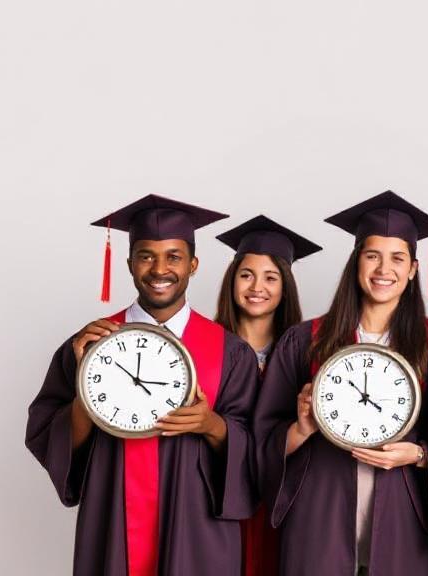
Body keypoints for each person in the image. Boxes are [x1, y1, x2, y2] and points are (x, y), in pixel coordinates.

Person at [26, 194, 259, 575]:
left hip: (196, 529)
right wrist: (86, 398)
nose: (159, 268)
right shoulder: (90, 344)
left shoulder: (230, 351)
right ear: (130, 263)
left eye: (173, 256)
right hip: (114, 523)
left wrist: (211, 425)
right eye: (147, 256)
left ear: (193, 264)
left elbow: (258, 446)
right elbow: (46, 432)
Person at [252, 191, 428, 575]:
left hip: (403, 515)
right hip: (319, 511)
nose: (383, 269)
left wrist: (418, 455)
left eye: (397, 258)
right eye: (372, 255)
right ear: (356, 262)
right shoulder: (306, 339)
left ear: (412, 269)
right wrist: (301, 428)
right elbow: (262, 437)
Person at [214, 214, 322, 576]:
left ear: (285, 286)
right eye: (246, 275)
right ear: (232, 281)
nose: (256, 286)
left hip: (283, 498)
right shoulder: (204, 345)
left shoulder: (304, 353)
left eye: (270, 277)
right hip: (216, 495)